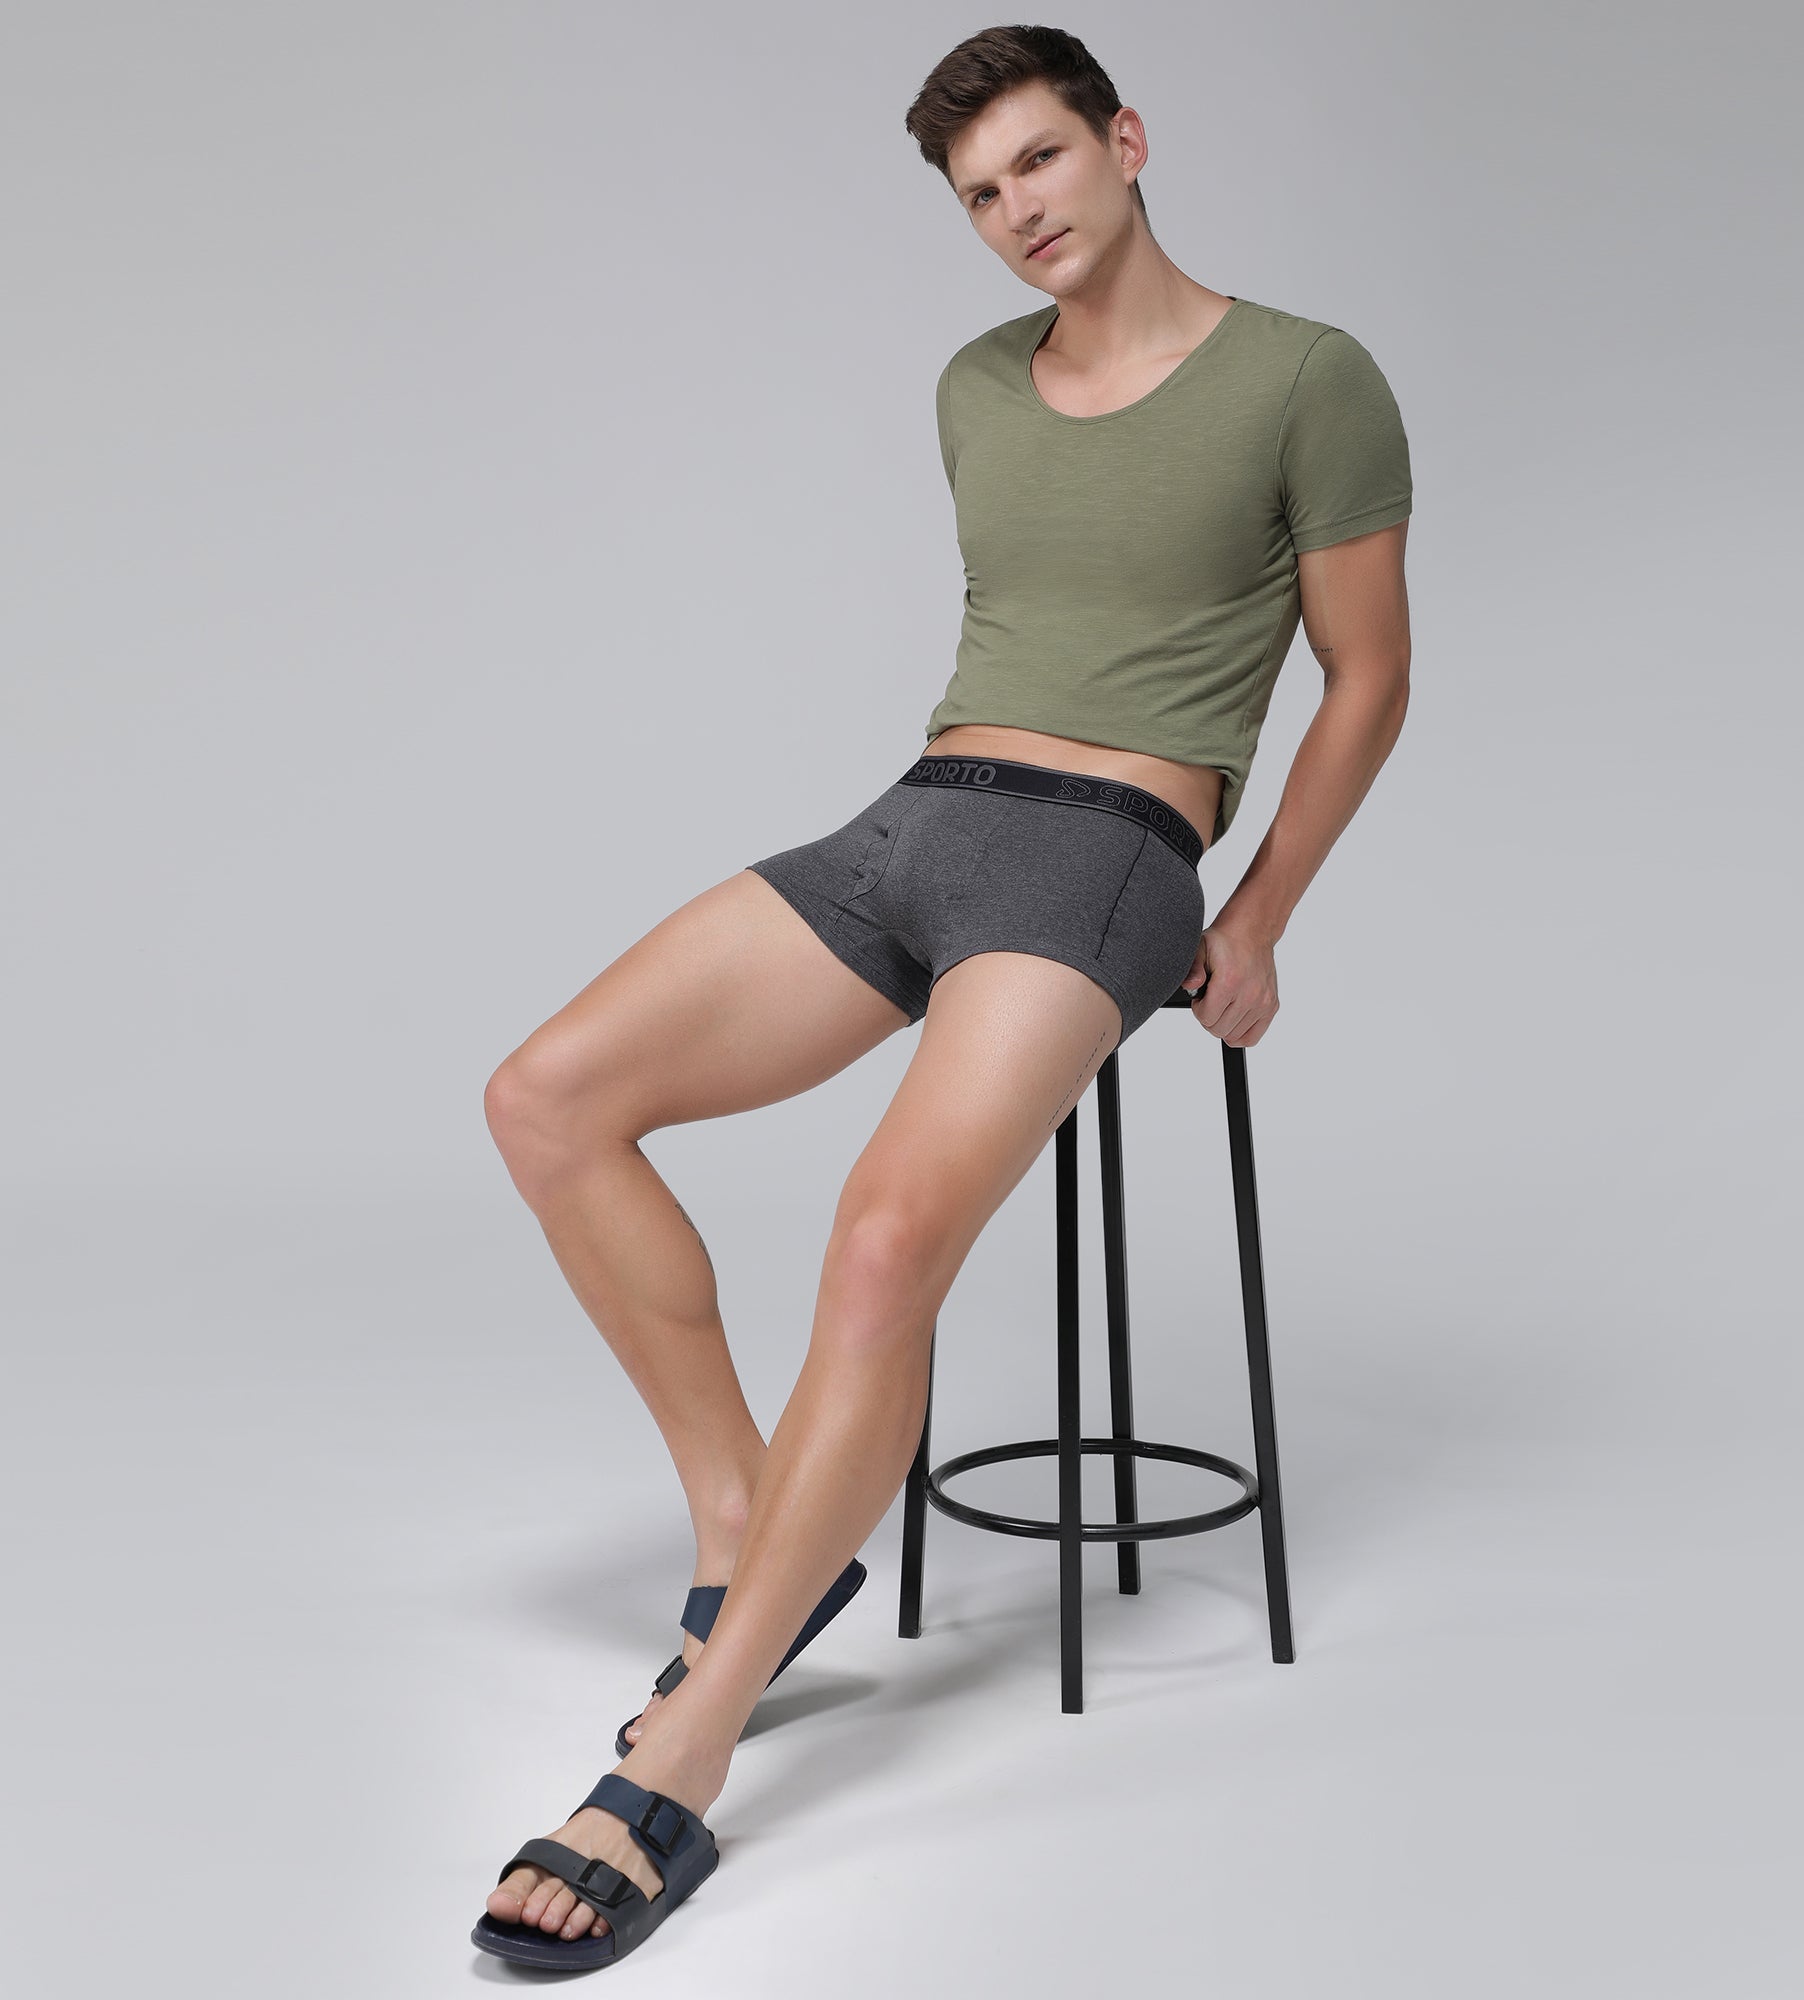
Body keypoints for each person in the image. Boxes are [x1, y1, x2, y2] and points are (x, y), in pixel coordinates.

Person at [471, 22, 1414, 1970]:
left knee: (886, 1232)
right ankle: (751, 1535)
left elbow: (1369, 674)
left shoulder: (1306, 376)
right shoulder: (976, 386)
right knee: (547, 1097)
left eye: (1041, 161)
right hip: (918, 819)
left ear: (1127, 140)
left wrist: (1257, 915)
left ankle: (680, 1762)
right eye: (982, 195)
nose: (1017, 212)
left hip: (1106, 856)